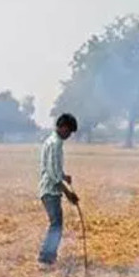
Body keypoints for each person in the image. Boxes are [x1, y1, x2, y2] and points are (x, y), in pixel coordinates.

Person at [37, 113, 79, 266]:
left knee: (56, 224)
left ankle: (48, 256)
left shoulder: (52, 141)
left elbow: (54, 169)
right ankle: (45, 258)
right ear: (62, 127)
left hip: (48, 189)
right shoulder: (55, 144)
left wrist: (64, 176)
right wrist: (68, 194)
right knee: (56, 225)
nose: (69, 135)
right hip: (50, 191)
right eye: (68, 131)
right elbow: (53, 175)